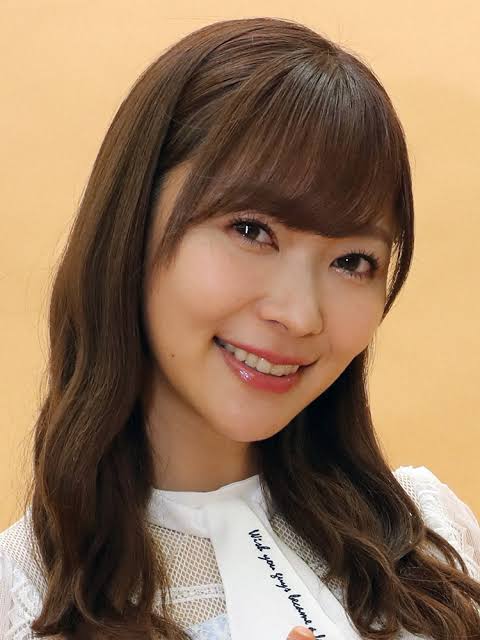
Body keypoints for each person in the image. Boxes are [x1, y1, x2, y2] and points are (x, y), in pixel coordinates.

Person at [0, 15, 479, 640]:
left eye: (352, 262)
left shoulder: (433, 539)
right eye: (252, 230)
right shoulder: (22, 602)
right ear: (132, 222)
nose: (300, 315)